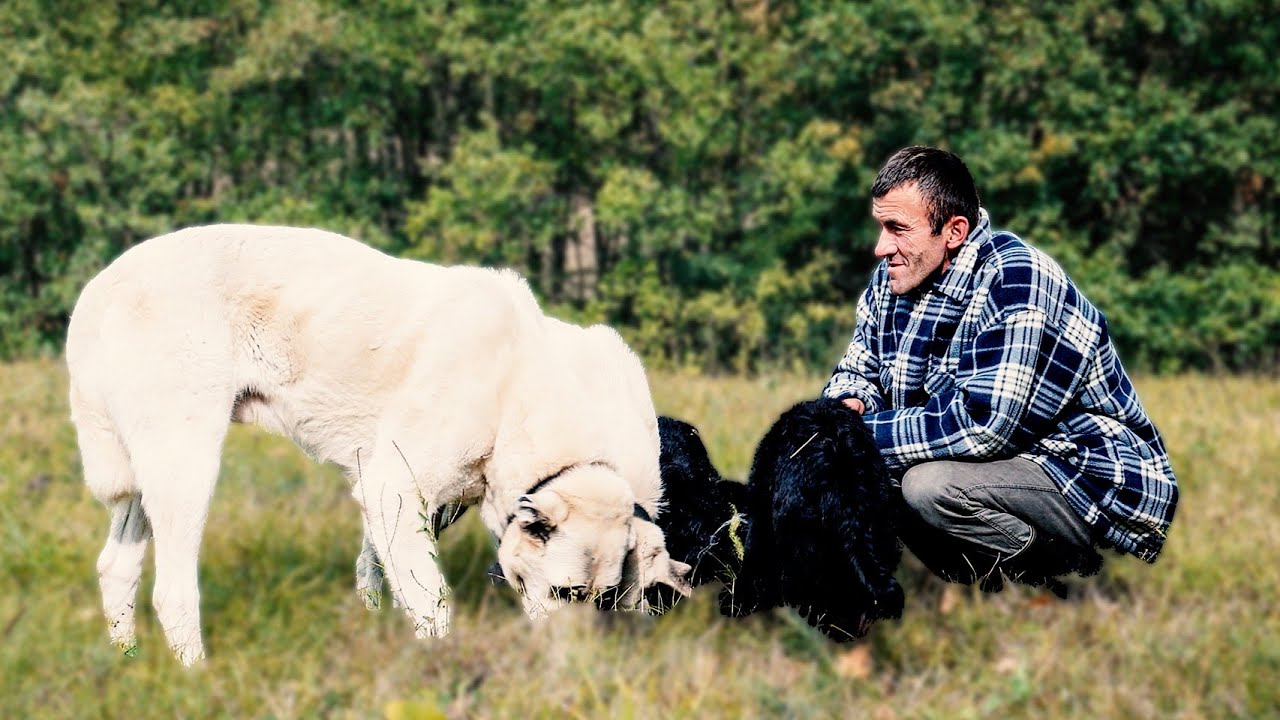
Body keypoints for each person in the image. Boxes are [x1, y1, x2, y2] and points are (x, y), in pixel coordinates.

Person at [822, 146, 1178, 595]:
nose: (880, 247)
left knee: (927, 486)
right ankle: (970, 589)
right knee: (850, 467)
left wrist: (852, 435)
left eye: (897, 228)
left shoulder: (1018, 279)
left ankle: (1064, 581)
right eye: (880, 226)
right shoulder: (894, 279)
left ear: (953, 231)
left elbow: (984, 428)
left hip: (1082, 469)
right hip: (993, 468)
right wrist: (845, 406)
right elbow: (857, 369)